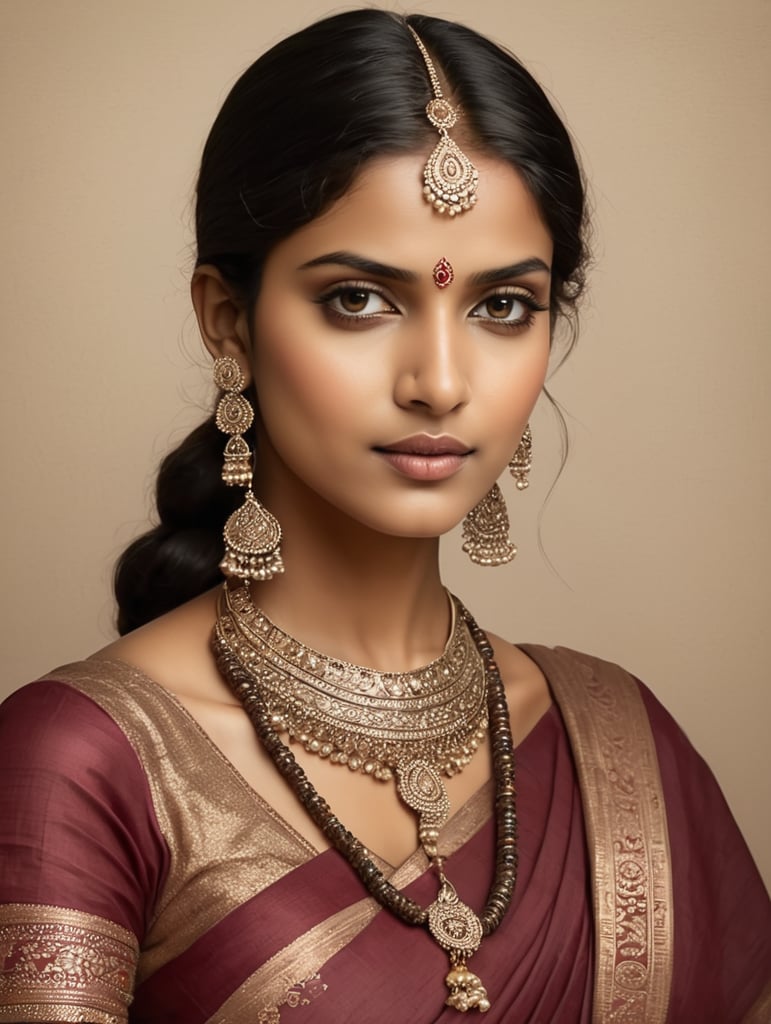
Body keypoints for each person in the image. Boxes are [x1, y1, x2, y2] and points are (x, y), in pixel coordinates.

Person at [0, 9, 769, 1023]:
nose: (442, 382)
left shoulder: (623, 747)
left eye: (503, 307)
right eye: (360, 299)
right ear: (228, 321)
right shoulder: (84, 764)